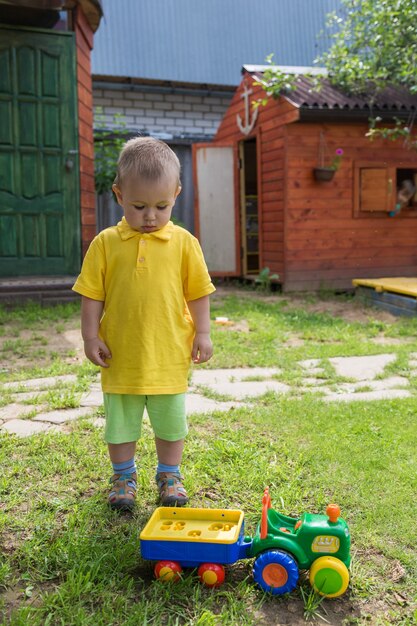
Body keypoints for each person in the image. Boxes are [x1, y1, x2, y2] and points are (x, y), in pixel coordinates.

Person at [73, 137, 215, 511]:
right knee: (120, 424)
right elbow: (92, 295)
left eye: (161, 206)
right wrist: (91, 336)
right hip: (120, 355)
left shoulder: (184, 243)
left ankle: (170, 474)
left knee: (171, 424)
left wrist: (203, 332)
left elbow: (199, 292)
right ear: (119, 195)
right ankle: (123, 475)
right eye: (139, 206)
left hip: (169, 354)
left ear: (176, 194)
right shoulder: (105, 244)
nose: (150, 216)